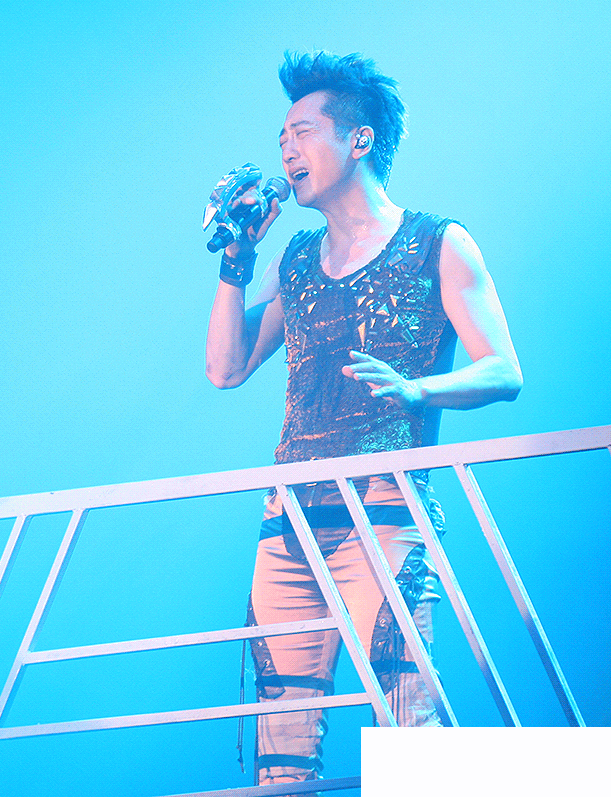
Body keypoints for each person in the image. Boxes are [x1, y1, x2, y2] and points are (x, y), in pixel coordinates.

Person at [205, 51, 522, 792]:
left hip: (382, 507)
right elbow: (225, 367)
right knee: (282, 746)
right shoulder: (296, 259)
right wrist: (234, 264)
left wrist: (419, 391)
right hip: (288, 519)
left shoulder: (436, 241)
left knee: (408, 718)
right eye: (280, 137)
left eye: (302, 132)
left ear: (359, 139)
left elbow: (503, 369)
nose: (286, 150)